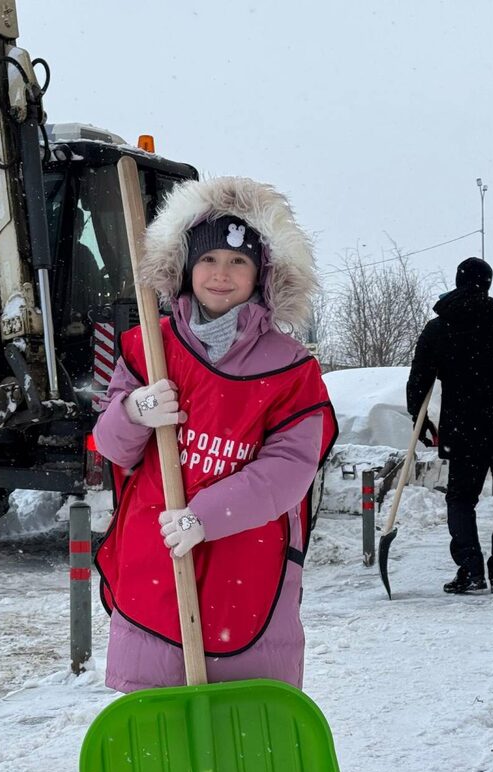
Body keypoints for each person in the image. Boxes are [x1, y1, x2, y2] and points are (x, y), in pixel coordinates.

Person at [93, 177, 336, 693]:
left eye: (238, 262)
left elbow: (288, 472)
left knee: (240, 739)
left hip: (244, 567)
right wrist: (132, 413)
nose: (220, 274)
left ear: (262, 275)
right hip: (154, 558)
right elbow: (111, 450)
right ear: (186, 267)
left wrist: (207, 516)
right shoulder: (148, 348)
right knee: (159, 734)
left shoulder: (291, 370)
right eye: (208, 260)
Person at [406, 257, 493, 594]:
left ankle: (471, 570)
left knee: (461, 500)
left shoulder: (439, 328)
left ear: (458, 280)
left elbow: (419, 379)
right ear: (488, 284)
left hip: (464, 429)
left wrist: (419, 420)